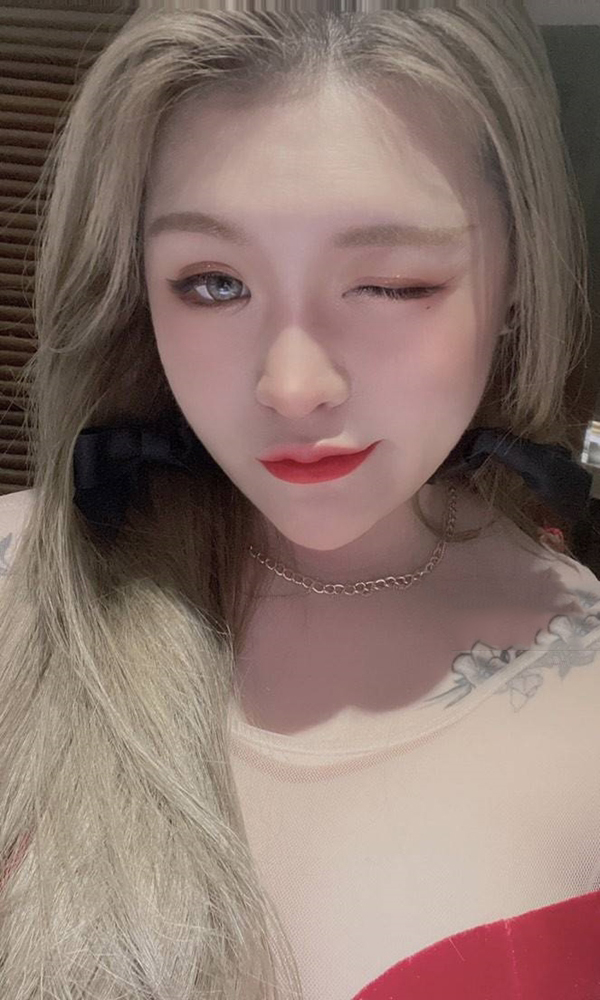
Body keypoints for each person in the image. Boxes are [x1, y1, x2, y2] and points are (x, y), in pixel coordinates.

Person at [0, 2, 599, 998]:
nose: (292, 386)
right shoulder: (21, 590)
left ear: (517, 282)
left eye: (392, 283)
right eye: (213, 283)